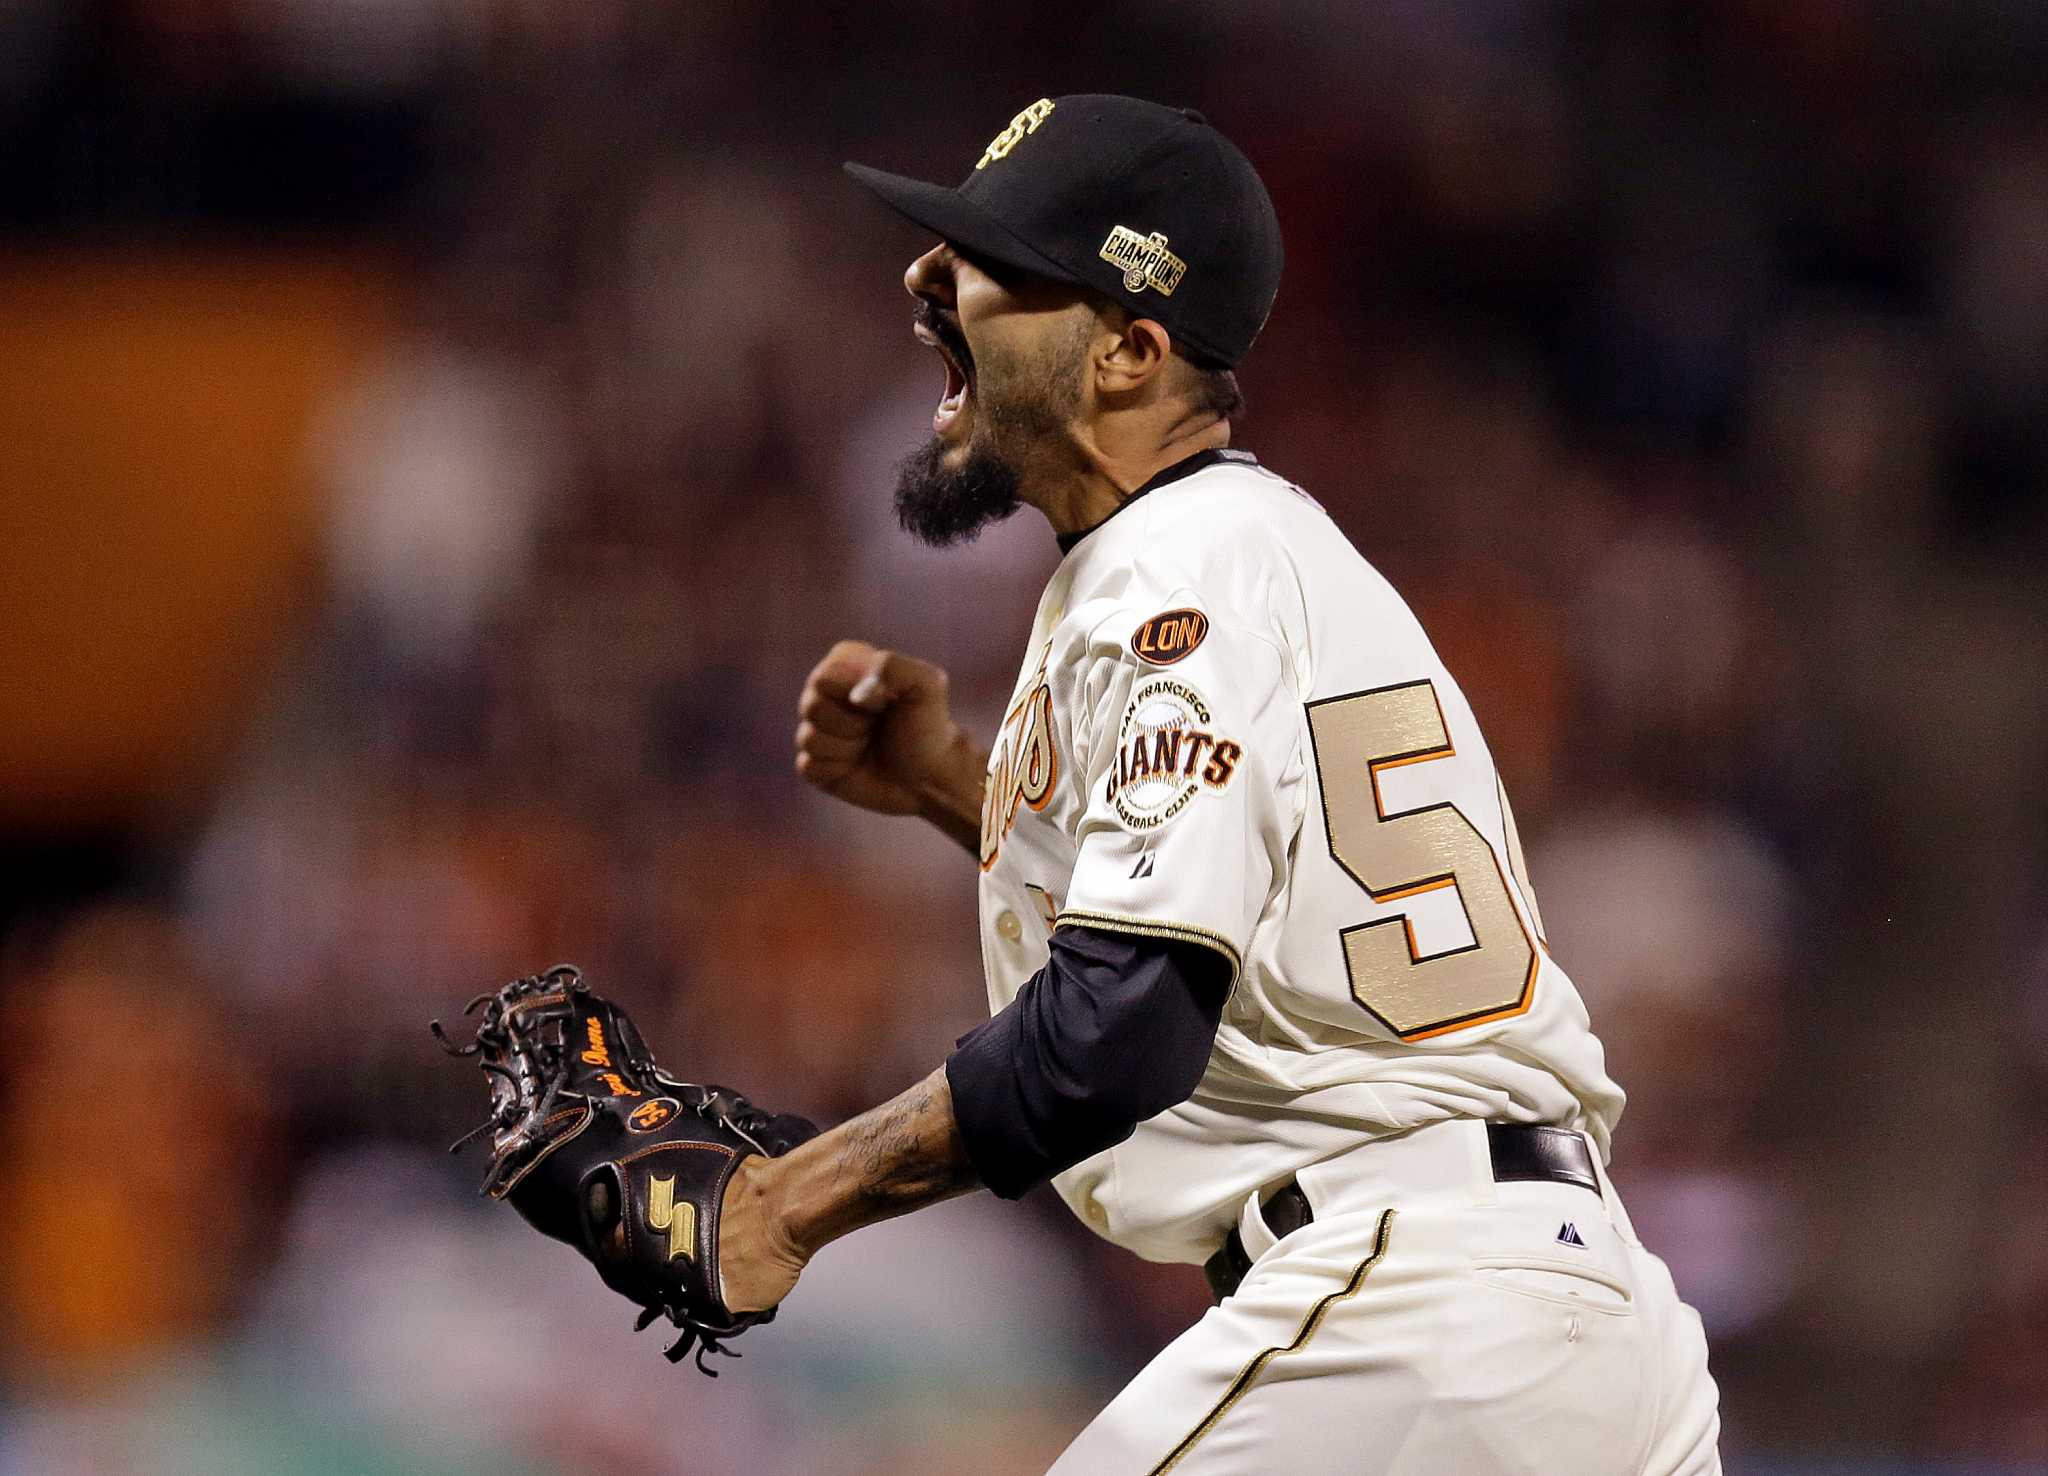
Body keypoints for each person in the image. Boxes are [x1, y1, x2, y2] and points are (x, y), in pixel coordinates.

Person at [715, 94, 1722, 1474]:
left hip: (1414, 1301)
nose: (929, 279)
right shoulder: (1251, 552)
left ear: (1129, 351)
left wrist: (784, 1201)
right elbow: (1237, 939)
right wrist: (965, 788)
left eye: (993, 262)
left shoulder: (1177, 572)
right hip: (1572, 1317)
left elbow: (1115, 1035)